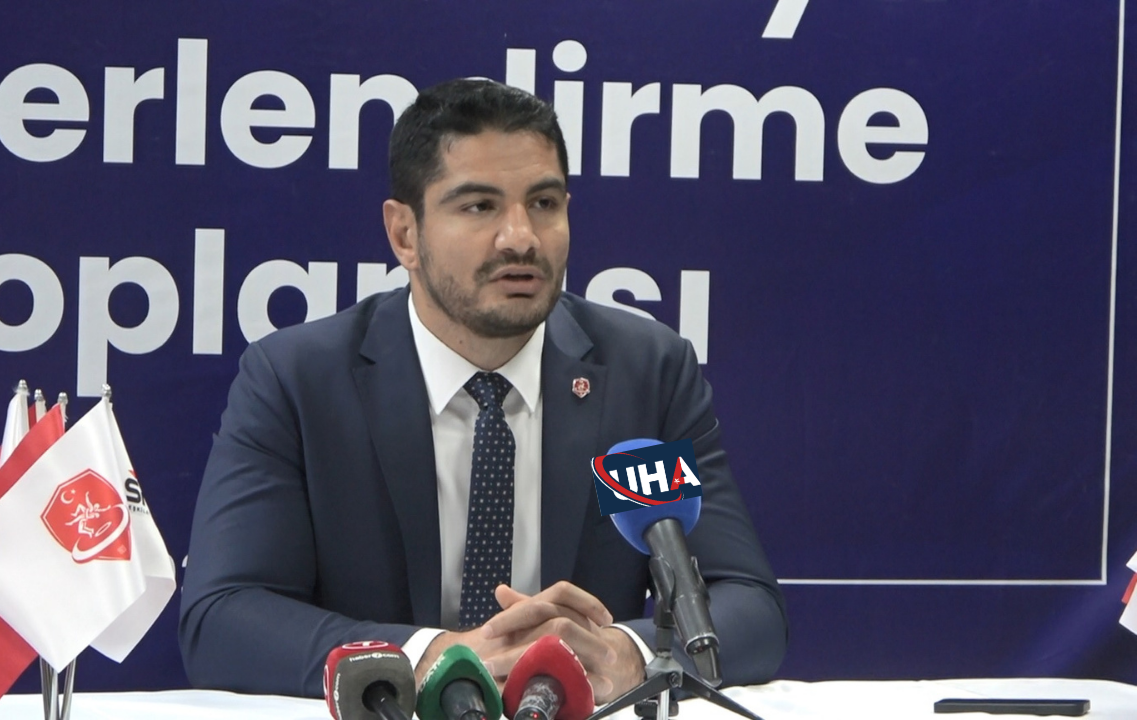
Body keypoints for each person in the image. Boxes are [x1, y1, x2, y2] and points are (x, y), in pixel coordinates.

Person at [179, 78, 787, 700]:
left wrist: (627, 654)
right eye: (479, 206)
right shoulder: (298, 380)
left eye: (544, 203)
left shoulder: (645, 374)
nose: (521, 237)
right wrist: (432, 654)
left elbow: (748, 608)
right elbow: (222, 619)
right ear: (404, 235)